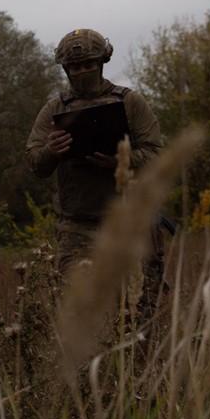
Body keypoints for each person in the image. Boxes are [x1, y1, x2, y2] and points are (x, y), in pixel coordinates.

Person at [24, 28, 166, 323]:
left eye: (89, 64)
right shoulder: (54, 110)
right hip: (78, 228)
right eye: (76, 66)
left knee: (138, 316)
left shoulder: (130, 102)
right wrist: (52, 149)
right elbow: (36, 164)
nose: (82, 71)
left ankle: (140, 369)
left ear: (102, 62)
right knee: (76, 316)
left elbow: (156, 154)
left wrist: (119, 161)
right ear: (66, 69)